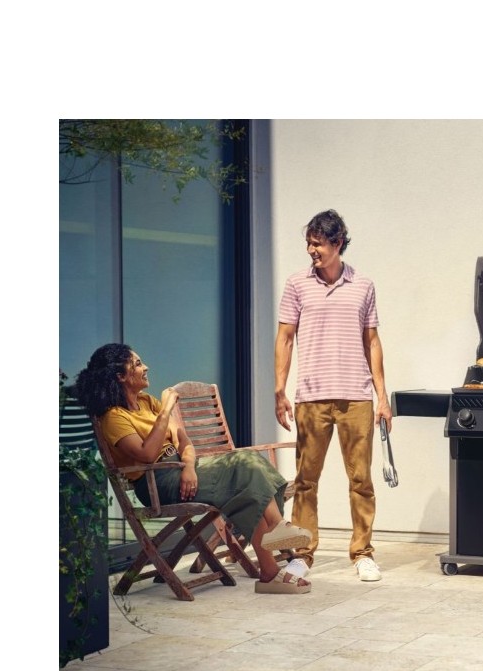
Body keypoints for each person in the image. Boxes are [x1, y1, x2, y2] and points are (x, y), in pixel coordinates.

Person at [74, 343, 312, 594]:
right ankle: (276, 534)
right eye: (137, 364)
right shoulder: (113, 417)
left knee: (248, 479)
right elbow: (147, 455)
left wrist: (188, 467)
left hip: (182, 469)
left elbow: (183, 439)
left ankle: (270, 570)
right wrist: (166, 409)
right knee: (244, 466)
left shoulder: (146, 402)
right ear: (120, 376)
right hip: (157, 484)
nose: (146, 367)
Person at [275, 209, 393, 581]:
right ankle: (302, 555)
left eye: (318, 243)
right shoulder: (297, 284)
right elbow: (285, 338)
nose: (312, 250)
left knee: (361, 480)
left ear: (337, 242)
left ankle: (362, 554)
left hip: (356, 397)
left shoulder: (363, 285)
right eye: (308, 243)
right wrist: (279, 389)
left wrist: (383, 398)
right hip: (311, 397)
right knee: (305, 480)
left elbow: (372, 341)